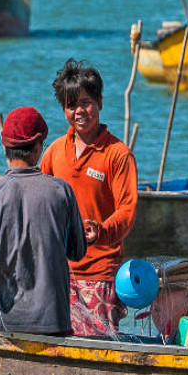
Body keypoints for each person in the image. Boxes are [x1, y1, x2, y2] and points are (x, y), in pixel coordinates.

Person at [0, 106, 86, 336]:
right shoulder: (62, 191)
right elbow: (77, 252)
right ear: (38, 147)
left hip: (11, 324)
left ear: (4, 147)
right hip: (56, 323)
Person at [40, 59, 138, 336]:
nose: (79, 111)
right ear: (64, 110)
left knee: (98, 347)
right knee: (56, 343)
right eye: (71, 105)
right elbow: (40, 199)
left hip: (101, 273)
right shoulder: (55, 152)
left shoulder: (118, 154)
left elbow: (127, 210)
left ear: (99, 103)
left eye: (86, 102)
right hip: (59, 271)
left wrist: (103, 230)